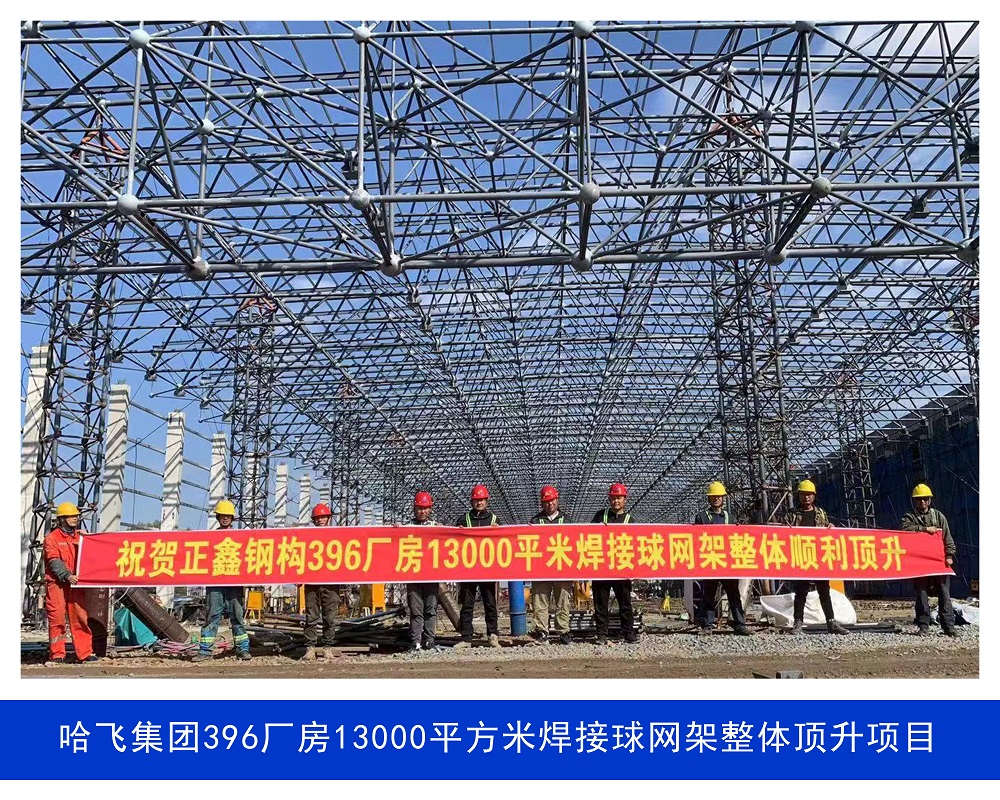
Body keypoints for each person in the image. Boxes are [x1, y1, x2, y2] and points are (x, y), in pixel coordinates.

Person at [787, 480, 849, 635]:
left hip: (819, 558)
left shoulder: (820, 513)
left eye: (809, 494)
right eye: (803, 494)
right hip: (802, 557)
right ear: (799, 495)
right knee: (801, 591)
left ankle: (831, 622)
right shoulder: (792, 514)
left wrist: (831, 528)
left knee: (824, 590)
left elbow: (827, 528)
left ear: (814, 496)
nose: (806, 497)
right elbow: (783, 535)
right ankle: (798, 623)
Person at [192, 500, 252, 662]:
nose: (225, 518)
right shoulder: (210, 538)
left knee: (237, 617)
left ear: (232, 518)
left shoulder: (240, 537)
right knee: (212, 617)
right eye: (222, 515)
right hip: (215, 584)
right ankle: (205, 651)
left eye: (228, 516)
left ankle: (242, 650)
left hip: (234, 584)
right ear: (218, 517)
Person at [43, 502, 97, 665]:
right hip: (57, 584)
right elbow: (53, 560)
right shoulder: (52, 539)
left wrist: (91, 539)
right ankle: (57, 654)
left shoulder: (80, 537)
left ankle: (85, 653)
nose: (75, 518)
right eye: (71, 516)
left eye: (76, 516)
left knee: (80, 618)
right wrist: (67, 575)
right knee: (57, 619)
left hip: (76, 584)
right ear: (62, 519)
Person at [694, 482, 751, 636]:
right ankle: (707, 625)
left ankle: (739, 624)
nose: (716, 499)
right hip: (711, 561)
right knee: (709, 594)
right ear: (709, 498)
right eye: (714, 496)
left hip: (727, 564)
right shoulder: (702, 517)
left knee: (734, 594)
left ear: (723, 498)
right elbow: (696, 539)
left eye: (719, 496)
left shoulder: (729, 517)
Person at [901, 484, 957, 637]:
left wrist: (949, 555)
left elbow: (947, 537)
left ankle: (948, 627)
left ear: (929, 500)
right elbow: (904, 529)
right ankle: (923, 625)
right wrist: (924, 529)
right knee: (921, 594)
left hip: (938, 562)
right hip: (920, 564)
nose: (922, 502)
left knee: (944, 594)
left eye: (925, 499)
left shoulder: (938, 516)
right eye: (919, 499)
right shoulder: (909, 517)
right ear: (915, 501)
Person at [453, 485, 502, 649]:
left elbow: (503, 542)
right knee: (467, 604)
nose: (479, 503)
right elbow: (453, 540)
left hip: (488, 569)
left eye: (481, 500)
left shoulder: (494, 520)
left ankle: (493, 635)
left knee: (490, 603)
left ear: (487, 501)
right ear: (471, 501)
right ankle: (466, 637)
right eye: (476, 500)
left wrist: (498, 532)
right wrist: (458, 532)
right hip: (469, 569)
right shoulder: (464, 520)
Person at [591, 483, 638, 645]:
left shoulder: (630, 520)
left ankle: (628, 632)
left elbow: (635, 544)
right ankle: (601, 634)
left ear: (625, 499)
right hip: (602, 568)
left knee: (625, 602)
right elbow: (588, 535)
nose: (616, 501)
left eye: (619, 498)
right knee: (600, 603)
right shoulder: (600, 516)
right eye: (613, 498)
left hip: (621, 568)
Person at [529, 486, 573, 645]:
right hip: (541, 569)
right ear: (542, 503)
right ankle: (541, 631)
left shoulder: (566, 520)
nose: (550, 504)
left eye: (552, 500)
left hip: (562, 567)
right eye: (546, 501)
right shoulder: (535, 521)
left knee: (563, 601)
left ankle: (563, 631)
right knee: (540, 601)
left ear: (557, 500)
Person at [302, 503, 340, 661]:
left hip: (331, 583)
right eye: (317, 518)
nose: (320, 520)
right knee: (311, 617)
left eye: (323, 517)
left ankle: (327, 647)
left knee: (329, 618)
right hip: (312, 583)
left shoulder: (338, 537)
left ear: (329, 518)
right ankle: (310, 648)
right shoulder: (307, 537)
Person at [406, 492, 442, 651]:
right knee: (415, 610)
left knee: (430, 609)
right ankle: (416, 641)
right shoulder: (406, 528)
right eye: (420, 508)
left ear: (430, 509)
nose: (422, 511)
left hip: (431, 575)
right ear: (415, 509)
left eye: (425, 508)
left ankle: (429, 640)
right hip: (413, 575)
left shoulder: (436, 527)